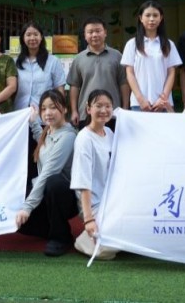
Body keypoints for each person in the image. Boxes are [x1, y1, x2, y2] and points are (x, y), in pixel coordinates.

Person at [16, 90, 78, 257]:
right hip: (46, 194)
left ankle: (61, 237)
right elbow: (42, 143)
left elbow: (49, 172)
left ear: (64, 109)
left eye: (53, 107)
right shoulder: (48, 131)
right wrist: (33, 121)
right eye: (44, 109)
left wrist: (27, 208)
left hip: (65, 197)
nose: (48, 113)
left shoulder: (68, 137)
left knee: (53, 181)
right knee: (17, 216)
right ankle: (51, 228)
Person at [71, 89, 118, 259]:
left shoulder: (110, 134)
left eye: (108, 106)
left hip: (111, 201)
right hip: (94, 203)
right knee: (108, 250)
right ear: (88, 108)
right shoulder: (84, 139)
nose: (103, 110)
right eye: (98, 106)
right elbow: (83, 182)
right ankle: (84, 240)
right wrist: (88, 219)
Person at [67, 16, 129, 126]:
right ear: (85, 35)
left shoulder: (117, 56)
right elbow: (74, 86)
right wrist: (74, 111)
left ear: (105, 33)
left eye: (98, 31)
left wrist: (125, 108)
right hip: (86, 114)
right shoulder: (79, 59)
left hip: (113, 113)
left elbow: (124, 83)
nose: (94, 35)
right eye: (90, 32)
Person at [121, 0, 182, 112]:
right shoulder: (132, 44)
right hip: (139, 104)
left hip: (164, 104)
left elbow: (171, 73)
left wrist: (163, 99)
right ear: (141, 18)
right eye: (148, 15)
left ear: (161, 18)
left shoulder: (169, 44)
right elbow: (130, 73)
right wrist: (140, 99)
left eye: (155, 15)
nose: (152, 19)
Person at [14, 22, 66, 111]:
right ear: (23, 38)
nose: (32, 38)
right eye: (28, 35)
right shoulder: (16, 62)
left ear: (41, 37)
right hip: (20, 113)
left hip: (45, 114)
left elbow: (59, 88)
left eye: (35, 34)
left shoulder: (53, 61)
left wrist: (60, 109)